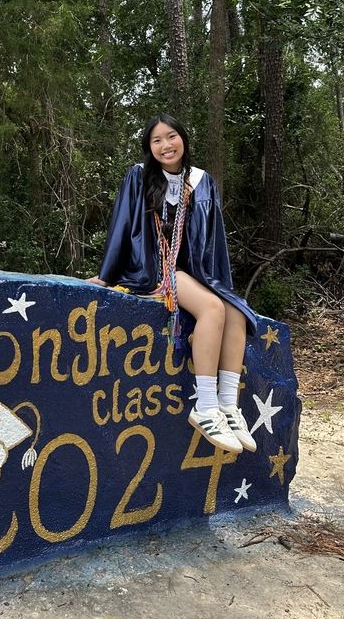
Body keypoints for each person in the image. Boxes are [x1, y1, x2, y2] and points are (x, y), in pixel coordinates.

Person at [87, 114, 257, 455]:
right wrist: (106, 275)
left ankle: (228, 405)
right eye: (157, 140)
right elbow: (122, 224)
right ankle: (205, 406)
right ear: (149, 147)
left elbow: (214, 240)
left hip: (194, 273)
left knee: (235, 313)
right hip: (154, 269)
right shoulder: (139, 176)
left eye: (172, 136)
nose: (166, 145)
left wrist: (220, 284)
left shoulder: (201, 181)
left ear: (184, 139)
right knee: (211, 308)